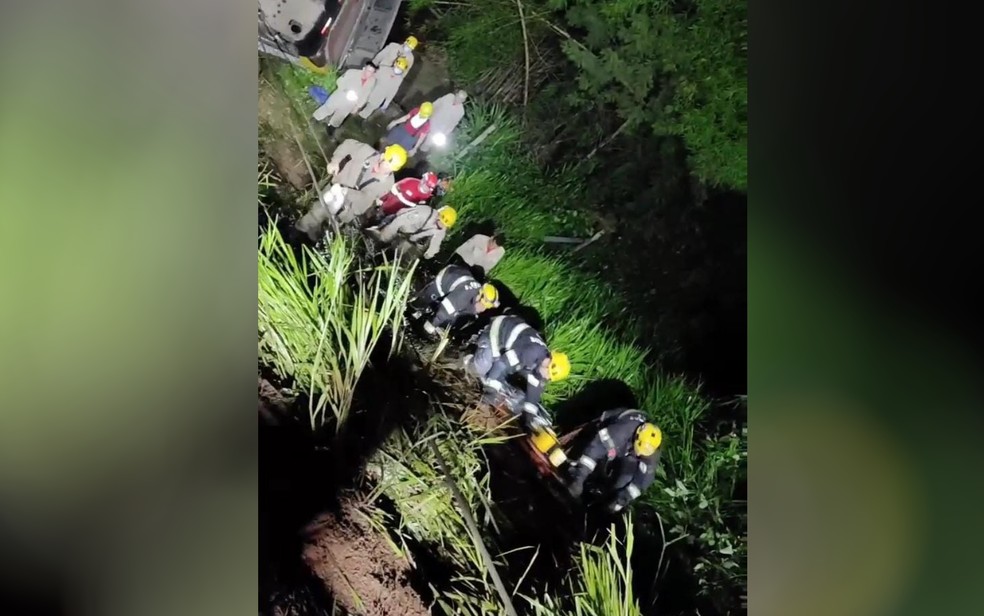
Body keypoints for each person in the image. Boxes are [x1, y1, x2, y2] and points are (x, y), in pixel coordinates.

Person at [295, 141, 407, 239]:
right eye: (385, 165)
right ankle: (297, 232)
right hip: (335, 189)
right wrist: (336, 161)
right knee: (317, 212)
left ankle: (314, 232)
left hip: (349, 207)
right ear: (382, 156)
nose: (385, 171)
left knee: (329, 225)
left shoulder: (387, 183)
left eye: (390, 170)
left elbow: (367, 198)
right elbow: (347, 145)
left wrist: (346, 192)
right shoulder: (366, 152)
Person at [464, 315, 570, 414]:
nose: (546, 377)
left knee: (511, 388)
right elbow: (501, 364)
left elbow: (534, 392)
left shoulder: (542, 365)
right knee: (481, 367)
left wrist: (529, 417)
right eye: (549, 373)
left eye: (550, 378)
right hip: (496, 332)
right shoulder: (531, 352)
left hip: (509, 348)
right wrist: (490, 391)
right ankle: (466, 358)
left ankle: (490, 377)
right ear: (548, 361)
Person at [565, 409, 663, 513]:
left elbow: (641, 482)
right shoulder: (622, 430)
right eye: (640, 449)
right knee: (594, 456)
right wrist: (579, 478)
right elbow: (595, 449)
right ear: (637, 436)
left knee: (624, 480)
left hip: (629, 450)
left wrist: (619, 501)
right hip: (611, 435)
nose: (640, 454)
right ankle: (575, 472)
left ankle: (600, 505)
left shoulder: (651, 454)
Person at [409, 264, 500, 335]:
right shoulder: (464, 295)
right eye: (483, 305)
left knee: (453, 313)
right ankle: (411, 309)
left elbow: (464, 311)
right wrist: (432, 325)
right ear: (479, 297)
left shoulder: (479, 293)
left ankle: (427, 311)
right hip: (446, 277)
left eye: (486, 307)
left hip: (460, 276)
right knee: (428, 298)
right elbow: (445, 310)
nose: (483, 309)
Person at [367, 204, 457, 260]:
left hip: (409, 237)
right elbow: (399, 221)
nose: (441, 226)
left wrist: (429, 254)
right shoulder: (424, 213)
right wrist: (385, 237)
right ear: (438, 216)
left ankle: (384, 258)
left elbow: (436, 243)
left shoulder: (442, 229)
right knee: (380, 238)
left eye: (444, 225)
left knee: (398, 254)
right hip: (401, 225)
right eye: (441, 222)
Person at [313, 62, 377, 132]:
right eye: (368, 70)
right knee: (328, 108)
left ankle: (331, 128)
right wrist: (346, 90)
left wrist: (358, 106)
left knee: (340, 116)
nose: (369, 73)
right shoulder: (352, 72)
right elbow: (339, 81)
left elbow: (366, 94)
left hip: (351, 102)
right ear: (364, 68)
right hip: (340, 95)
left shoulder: (372, 81)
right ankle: (315, 119)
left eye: (371, 72)